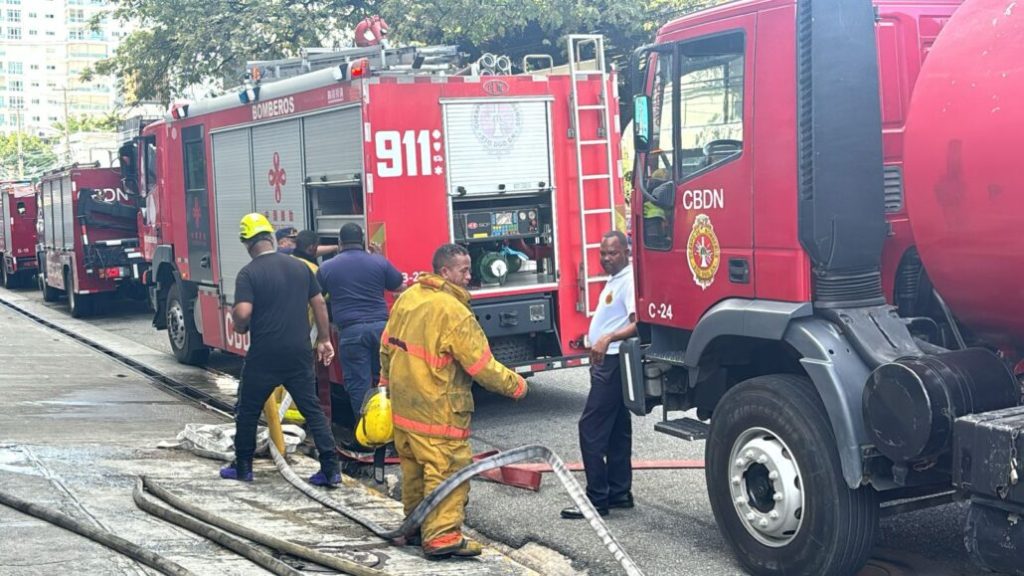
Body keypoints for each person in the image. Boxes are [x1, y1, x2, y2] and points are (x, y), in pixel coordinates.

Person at [380, 243, 528, 559]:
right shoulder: (454, 311)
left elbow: (387, 346)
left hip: (406, 410)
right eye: (463, 269)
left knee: (416, 470)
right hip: (438, 409)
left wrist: (385, 385)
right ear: (444, 271)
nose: (469, 275)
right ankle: (442, 537)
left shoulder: (408, 297)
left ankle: (415, 527)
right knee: (447, 469)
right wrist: (516, 386)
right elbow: (481, 367)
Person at [220, 213, 340, 486]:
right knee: (312, 410)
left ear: (247, 244)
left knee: (248, 411)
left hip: (264, 354)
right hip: (298, 352)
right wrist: (324, 339)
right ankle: (331, 470)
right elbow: (319, 303)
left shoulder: (249, 273)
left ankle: (243, 468)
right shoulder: (300, 268)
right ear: (271, 238)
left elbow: (243, 312)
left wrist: (239, 323)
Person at [561, 230, 637, 519]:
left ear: (626, 252)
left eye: (613, 253)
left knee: (590, 429)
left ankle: (595, 499)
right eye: (603, 253)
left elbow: (637, 323)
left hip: (615, 362)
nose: (606, 258)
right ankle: (618, 493)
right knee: (617, 429)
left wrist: (606, 339)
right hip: (609, 362)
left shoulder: (628, 281)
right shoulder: (616, 280)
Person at [316, 223, 404, 434]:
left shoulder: (327, 267)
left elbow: (315, 296)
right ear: (363, 240)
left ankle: (368, 434)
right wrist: (380, 258)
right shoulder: (378, 262)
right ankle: (395, 430)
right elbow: (398, 285)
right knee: (387, 378)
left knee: (358, 385)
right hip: (382, 329)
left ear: (339, 242)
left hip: (351, 332)